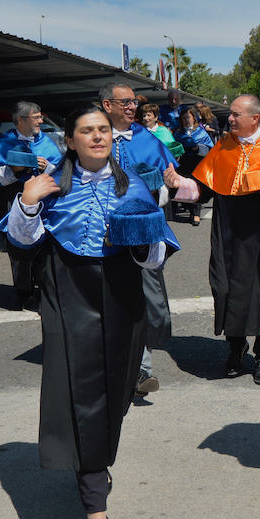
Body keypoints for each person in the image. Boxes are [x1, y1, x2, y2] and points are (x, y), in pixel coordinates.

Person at [0, 104, 179, 519]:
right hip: (68, 293)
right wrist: (28, 201)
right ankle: (95, 504)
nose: (97, 137)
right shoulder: (51, 183)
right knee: (79, 390)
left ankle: (96, 455)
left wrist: (142, 241)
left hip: (121, 296)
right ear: (72, 140)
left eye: (102, 130)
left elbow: (154, 258)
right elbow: (21, 241)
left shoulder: (133, 185)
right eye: (86, 131)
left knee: (114, 393)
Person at [174, 94, 260, 385]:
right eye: (230, 115)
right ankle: (235, 346)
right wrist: (178, 183)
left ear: (254, 118)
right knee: (225, 287)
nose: (229, 119)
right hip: (228, 229)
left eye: (235, 115)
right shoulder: (223, 145)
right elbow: (203, 188)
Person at [100, 82, 182, 398]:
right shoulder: (93, 136)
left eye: (134, 102)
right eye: (125, 102)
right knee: (107, 299)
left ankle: (141, 368)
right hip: (101, 234)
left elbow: (167, 186)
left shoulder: (148, 139)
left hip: (140, 234)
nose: (132, 107)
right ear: (107, 105)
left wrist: (161, 190)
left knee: (142, 298)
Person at [0, 100, 63, 308]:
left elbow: (61, 172)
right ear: (20, 120)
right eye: (36, 117)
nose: (41, 121)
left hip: (45, 207)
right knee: (19, 252)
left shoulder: (46, 141)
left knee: (44, 250)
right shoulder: (2, 144)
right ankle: (23, 291)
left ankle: (44, 289)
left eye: (41, 116)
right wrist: (16, 169)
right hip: (13, 205)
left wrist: (46, 166)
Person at [172, 108, 212, 226]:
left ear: (194, 118)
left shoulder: (201, 132)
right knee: (185, 186)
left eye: (188, 117)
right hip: (183, 163)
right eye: (183, 118)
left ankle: (195, 214)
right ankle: (187, 209)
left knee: (197, 186)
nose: (186, 120)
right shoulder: (178, 133)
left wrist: (197, 148)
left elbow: (210, 148)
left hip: (198, 162)